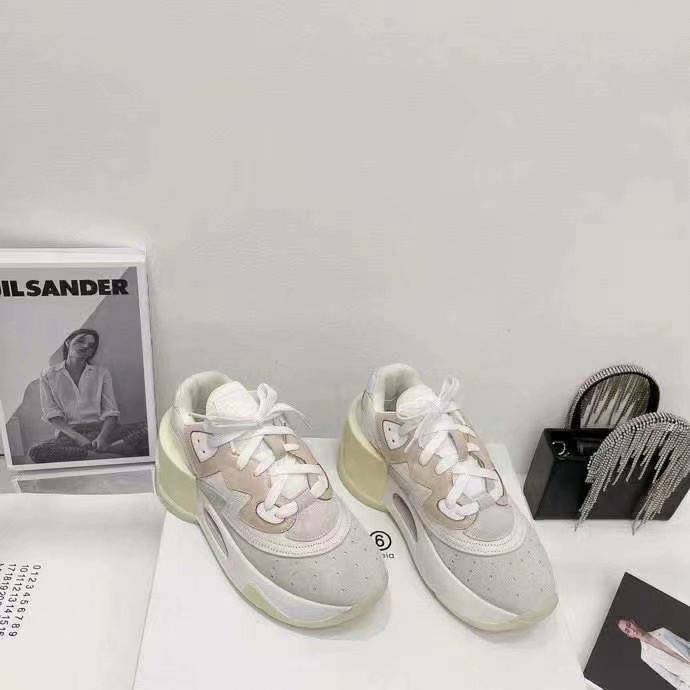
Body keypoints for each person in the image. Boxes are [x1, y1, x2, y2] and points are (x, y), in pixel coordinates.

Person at [28, 328, 148, 462]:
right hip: (70, 435)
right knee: (36, 452)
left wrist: (102, 438)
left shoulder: (101, 373)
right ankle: (107, 454)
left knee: (150, 428)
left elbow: (111, 413)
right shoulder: (48, 374)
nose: (86, 346)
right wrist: (79, 438)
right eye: (81, 341)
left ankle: (100, 451)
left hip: (103, 431)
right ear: (68, 342)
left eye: (91, 345)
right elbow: (52, 414)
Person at [618, 619, 690, 689]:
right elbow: (670, 678)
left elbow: (686, 644)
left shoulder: (662, 631)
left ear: (633, 622)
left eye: (629, 625)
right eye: (627, 631)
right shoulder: (645, 655)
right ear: (629, 636)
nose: (632, 630)